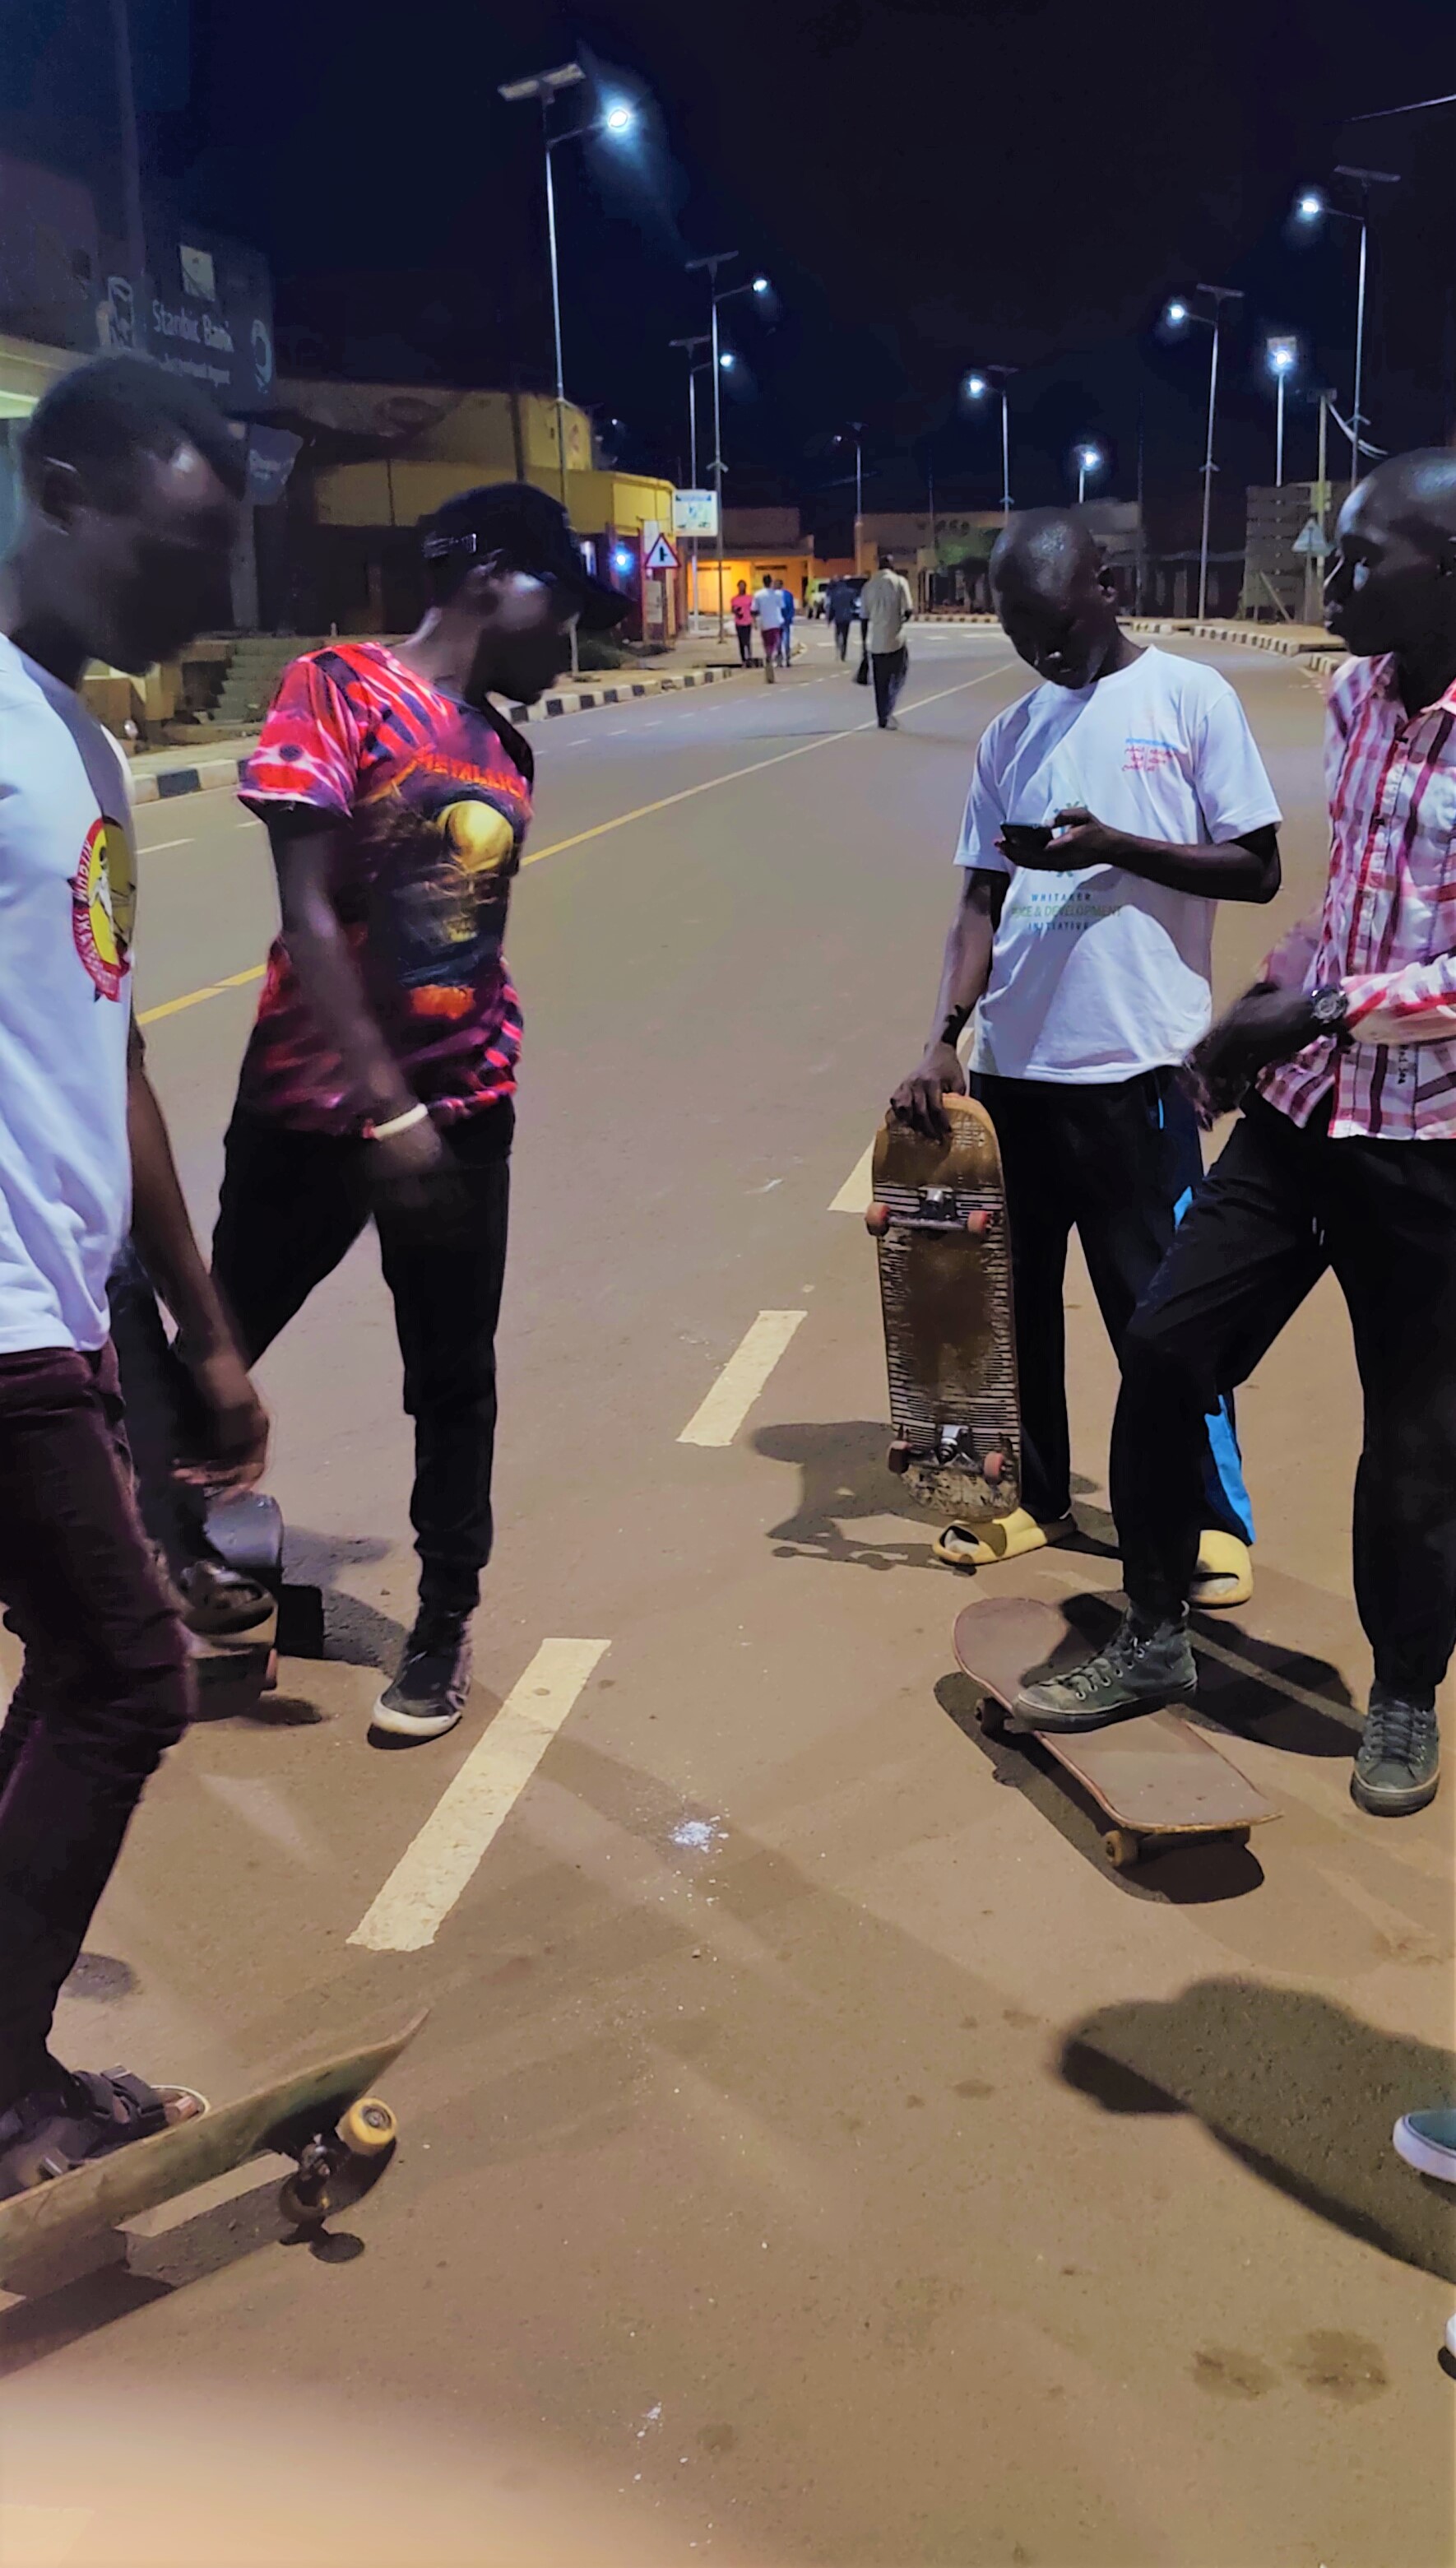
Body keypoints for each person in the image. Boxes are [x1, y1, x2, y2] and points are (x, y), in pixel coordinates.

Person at [1018, 453, 1456, 1820]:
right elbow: (1364, 898)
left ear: (1444, 570)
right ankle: (1156, 1634)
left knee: (1418, 1440)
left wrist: (1314, 1005)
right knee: (1165, 1347)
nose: (1333, 582)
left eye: (1361, 560)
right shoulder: (1356, 698)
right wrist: (1277, 990)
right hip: (1306, 1109)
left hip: (1432, 1148)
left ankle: (1400, 1693)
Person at [211, 482, 627, 1744]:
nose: (571, 640)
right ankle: (155, 1561)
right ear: (493, 579)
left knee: (453, 1376)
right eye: (564, 606)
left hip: (465, 1107)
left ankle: (443, 1622)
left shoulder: (508, 750)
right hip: (312, 1106)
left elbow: (461, 937)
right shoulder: (335, 688)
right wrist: (384, 1110)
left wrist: (432, 1111)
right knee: (212, 1354)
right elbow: (307, 916)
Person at [0, 353, 269, 2198]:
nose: (204, 603)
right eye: (179, 553)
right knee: (123, 1681)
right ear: (65, 484)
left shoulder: (80, 742)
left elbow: (117, 1057)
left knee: (81, 1667)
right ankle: (5, 2099)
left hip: (62, 1307)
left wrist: (199, 1319)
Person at [892, 509, 1280, 1604]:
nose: (1041, 652)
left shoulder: (1189, 699)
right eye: (1018, 632)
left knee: (1161, 1309)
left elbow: (1253, 867)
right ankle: (1034, 1494)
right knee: (1010, 1303)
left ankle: (1209, 1518)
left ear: (1103, 586)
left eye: (1054, 627)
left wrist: (1112, 845)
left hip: (1136, 1066)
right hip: (1017, 1070)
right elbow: (977, 899)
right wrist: (942, 1038)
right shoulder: (1008, 735)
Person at [860, 551, 914, 727]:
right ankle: (889, 710)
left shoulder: (868, 586)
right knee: (899, 675)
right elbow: (909, 610)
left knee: (879, 683)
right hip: (896, 640)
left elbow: (864, 618)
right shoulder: (899, 582)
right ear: (892, 566)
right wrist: (900, 620)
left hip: (876, 643)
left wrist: (863, 644)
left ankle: (881, 717)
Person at [753, 571, 784, 680]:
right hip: (775, 623)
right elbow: (782, 607)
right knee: (775, 643)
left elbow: (754, 610)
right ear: (771, 582)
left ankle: (768, 657)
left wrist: (754, 622)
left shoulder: (758, 595)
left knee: (766, 644)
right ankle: (770, 657)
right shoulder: (777, 595)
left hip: (764, 623)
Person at [827, 576, 856, 662]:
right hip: (847, 617)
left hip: (838, 617)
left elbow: (832, 607)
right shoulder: (850, 592)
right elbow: (852, 605)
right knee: (846, 636)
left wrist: (829, 619)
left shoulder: (834, 593)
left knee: (838, 633)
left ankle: (838, 648)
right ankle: (844, 653)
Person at [730, 578, 754, 666]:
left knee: (747, 641)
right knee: (741, 642)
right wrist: (737, 612)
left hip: (748, 622)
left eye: (743, 586)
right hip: (739, 623)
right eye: (740, 586)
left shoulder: (749, 598)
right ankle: (743, 659)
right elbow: (732, 609)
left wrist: (754, 619)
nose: (741, 588)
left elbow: (753, 610)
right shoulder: (734, 599)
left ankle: (749, 658)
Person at [779, 578, 796, 665]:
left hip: (782, 621)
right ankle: (784, 659)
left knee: (784, 641)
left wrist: (788, 618)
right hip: (782, 621)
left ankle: (785, 659)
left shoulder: (786, 595)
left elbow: (791, 608)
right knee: (782, 641)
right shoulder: (787, 594)